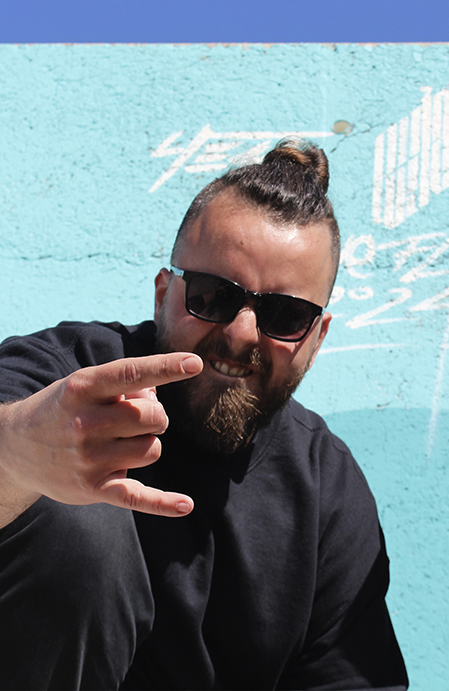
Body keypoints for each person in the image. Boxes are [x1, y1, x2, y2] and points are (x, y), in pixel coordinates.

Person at [0, 140, 409, 690]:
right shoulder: (65, 380)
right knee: (75, 525)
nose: (241, 333)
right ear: (163, 293)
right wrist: (14, 453)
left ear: (317, 339)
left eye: (286, 315)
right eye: (215, 296)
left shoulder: (326, 490)